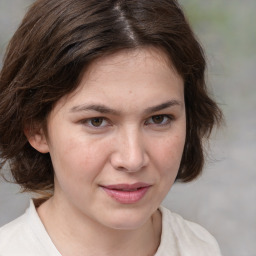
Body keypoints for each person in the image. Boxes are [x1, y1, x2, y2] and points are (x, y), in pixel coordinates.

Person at [0, 0, 223, 255]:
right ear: (36, 128)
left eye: (159, 118)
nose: (132, 159)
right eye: (97, 121)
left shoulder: (200, 247)